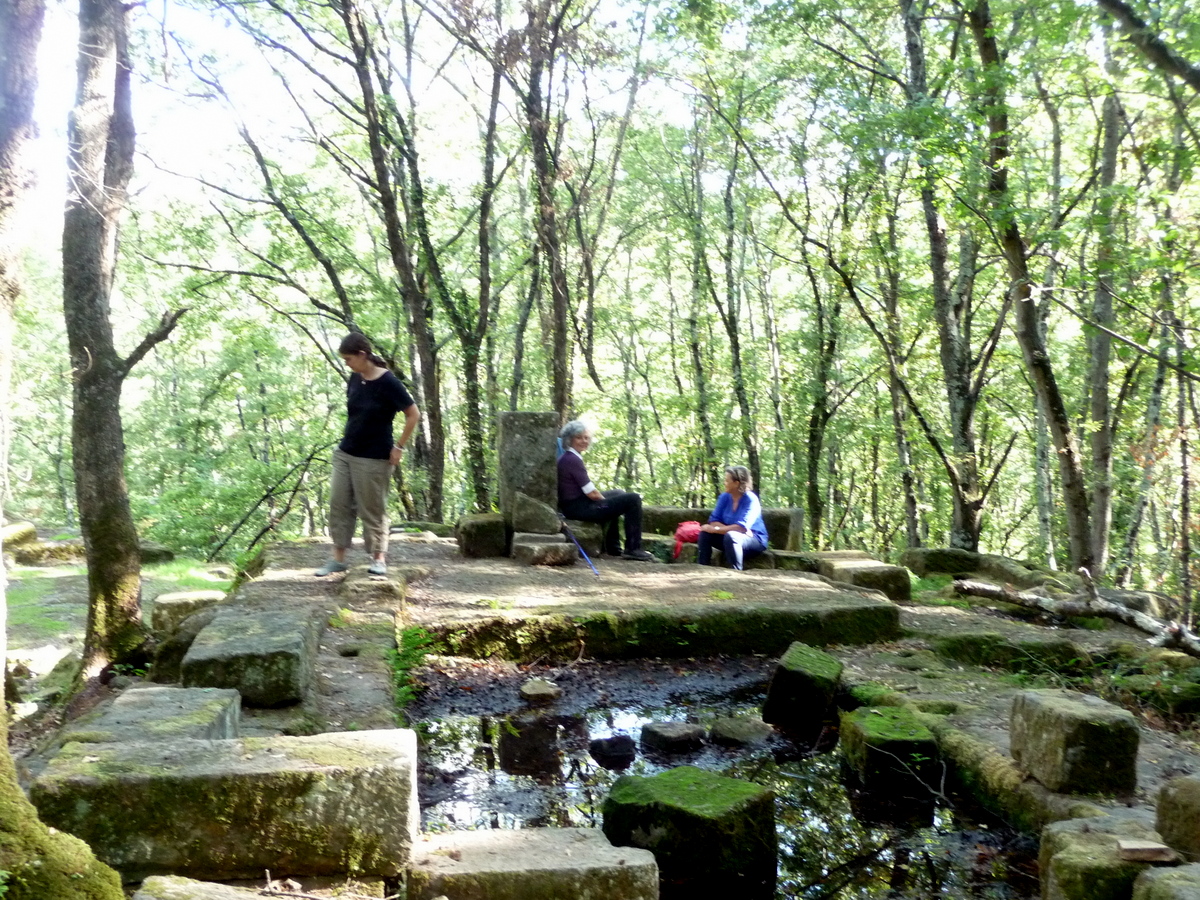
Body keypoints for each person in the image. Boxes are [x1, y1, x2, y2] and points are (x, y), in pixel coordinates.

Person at [315, 333, 420, 577]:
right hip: (345, 452)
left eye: (349, 358)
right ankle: (338, 559)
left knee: (372, 508)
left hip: (374, 457)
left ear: (363, 355)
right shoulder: (354, 378)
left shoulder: (389, 383)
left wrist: (399, 446)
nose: (347, 363)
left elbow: (413, 414)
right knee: (339, 504)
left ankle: (378, 559)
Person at [556, 420, 655, 561]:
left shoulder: (569, 457)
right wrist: (608, 503)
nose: (584, 441)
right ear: (569, 439)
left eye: (586, 437)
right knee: (633, 499)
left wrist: (611, 503)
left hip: (577, 505)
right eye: (579, 437)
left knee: (619, 494)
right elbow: (592, 493)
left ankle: (613, 547)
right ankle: (633, 548)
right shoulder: (572, 460)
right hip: (579, 508)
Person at [697, 465, 768, 571]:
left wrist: (719, 529)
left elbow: (741, 527)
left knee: (732, 536)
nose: (724, 483)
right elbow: (713, 521)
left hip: (754, 540)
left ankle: (736, 571)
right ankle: (702, 568)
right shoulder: (724, 497)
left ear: (736, 483)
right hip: (729, 538)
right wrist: (728, 529)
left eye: (726, 481)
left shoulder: (751, 499)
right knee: (705, 533)